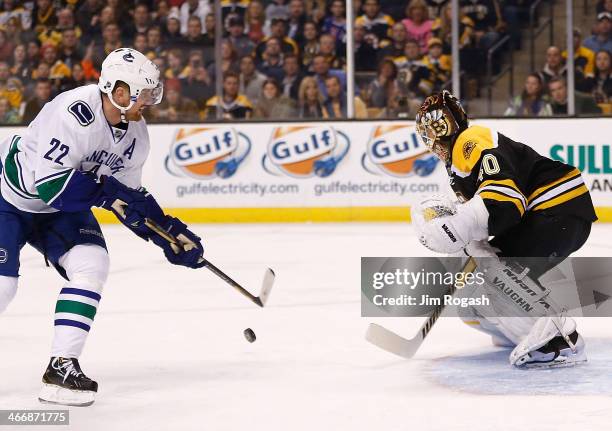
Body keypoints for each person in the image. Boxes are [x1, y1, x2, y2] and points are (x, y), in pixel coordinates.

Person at [0, 48, 205, 406]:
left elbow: (129, 198)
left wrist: (169, 234)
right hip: (10, 198)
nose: (150, 101)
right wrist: (108, 193)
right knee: (3, 286)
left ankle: (61, 367)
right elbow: (53, 187)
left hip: (60, 207)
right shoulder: (73, 112)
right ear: (120, 92)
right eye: (144, 93)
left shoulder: (136, 135)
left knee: (92, 265)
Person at [413, 91, 597, 368]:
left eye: (433, 130)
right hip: (554, 214)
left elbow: (504, 202)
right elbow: (491, 219)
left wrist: (458, 228)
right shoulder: (459, 167)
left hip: (555, 208)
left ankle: (560, 342)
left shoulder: (470, 140)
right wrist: (466, 235)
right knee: (478, 279)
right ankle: (519, 329)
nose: (432, 139)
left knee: (490, 263)